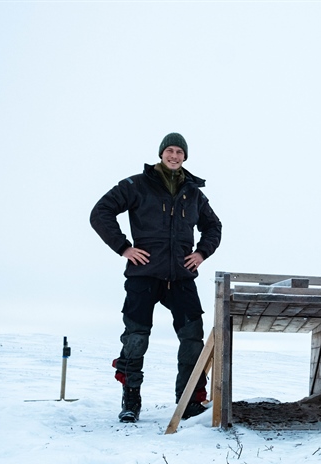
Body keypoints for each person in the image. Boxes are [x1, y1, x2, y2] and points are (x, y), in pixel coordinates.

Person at [90, 133, 222, 423]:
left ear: (185, 157)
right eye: (169, 151)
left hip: (181, 278)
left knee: (193, 339)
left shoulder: (194, 193)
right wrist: (124, 247)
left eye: (179, 152)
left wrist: (200, 254)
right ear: (161, 154)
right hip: (144, 275)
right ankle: (131, 399)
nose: (174, 156)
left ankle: (187, 402)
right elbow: (100, 212)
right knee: (136, 338)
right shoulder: (137, 185)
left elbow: (214, 226)